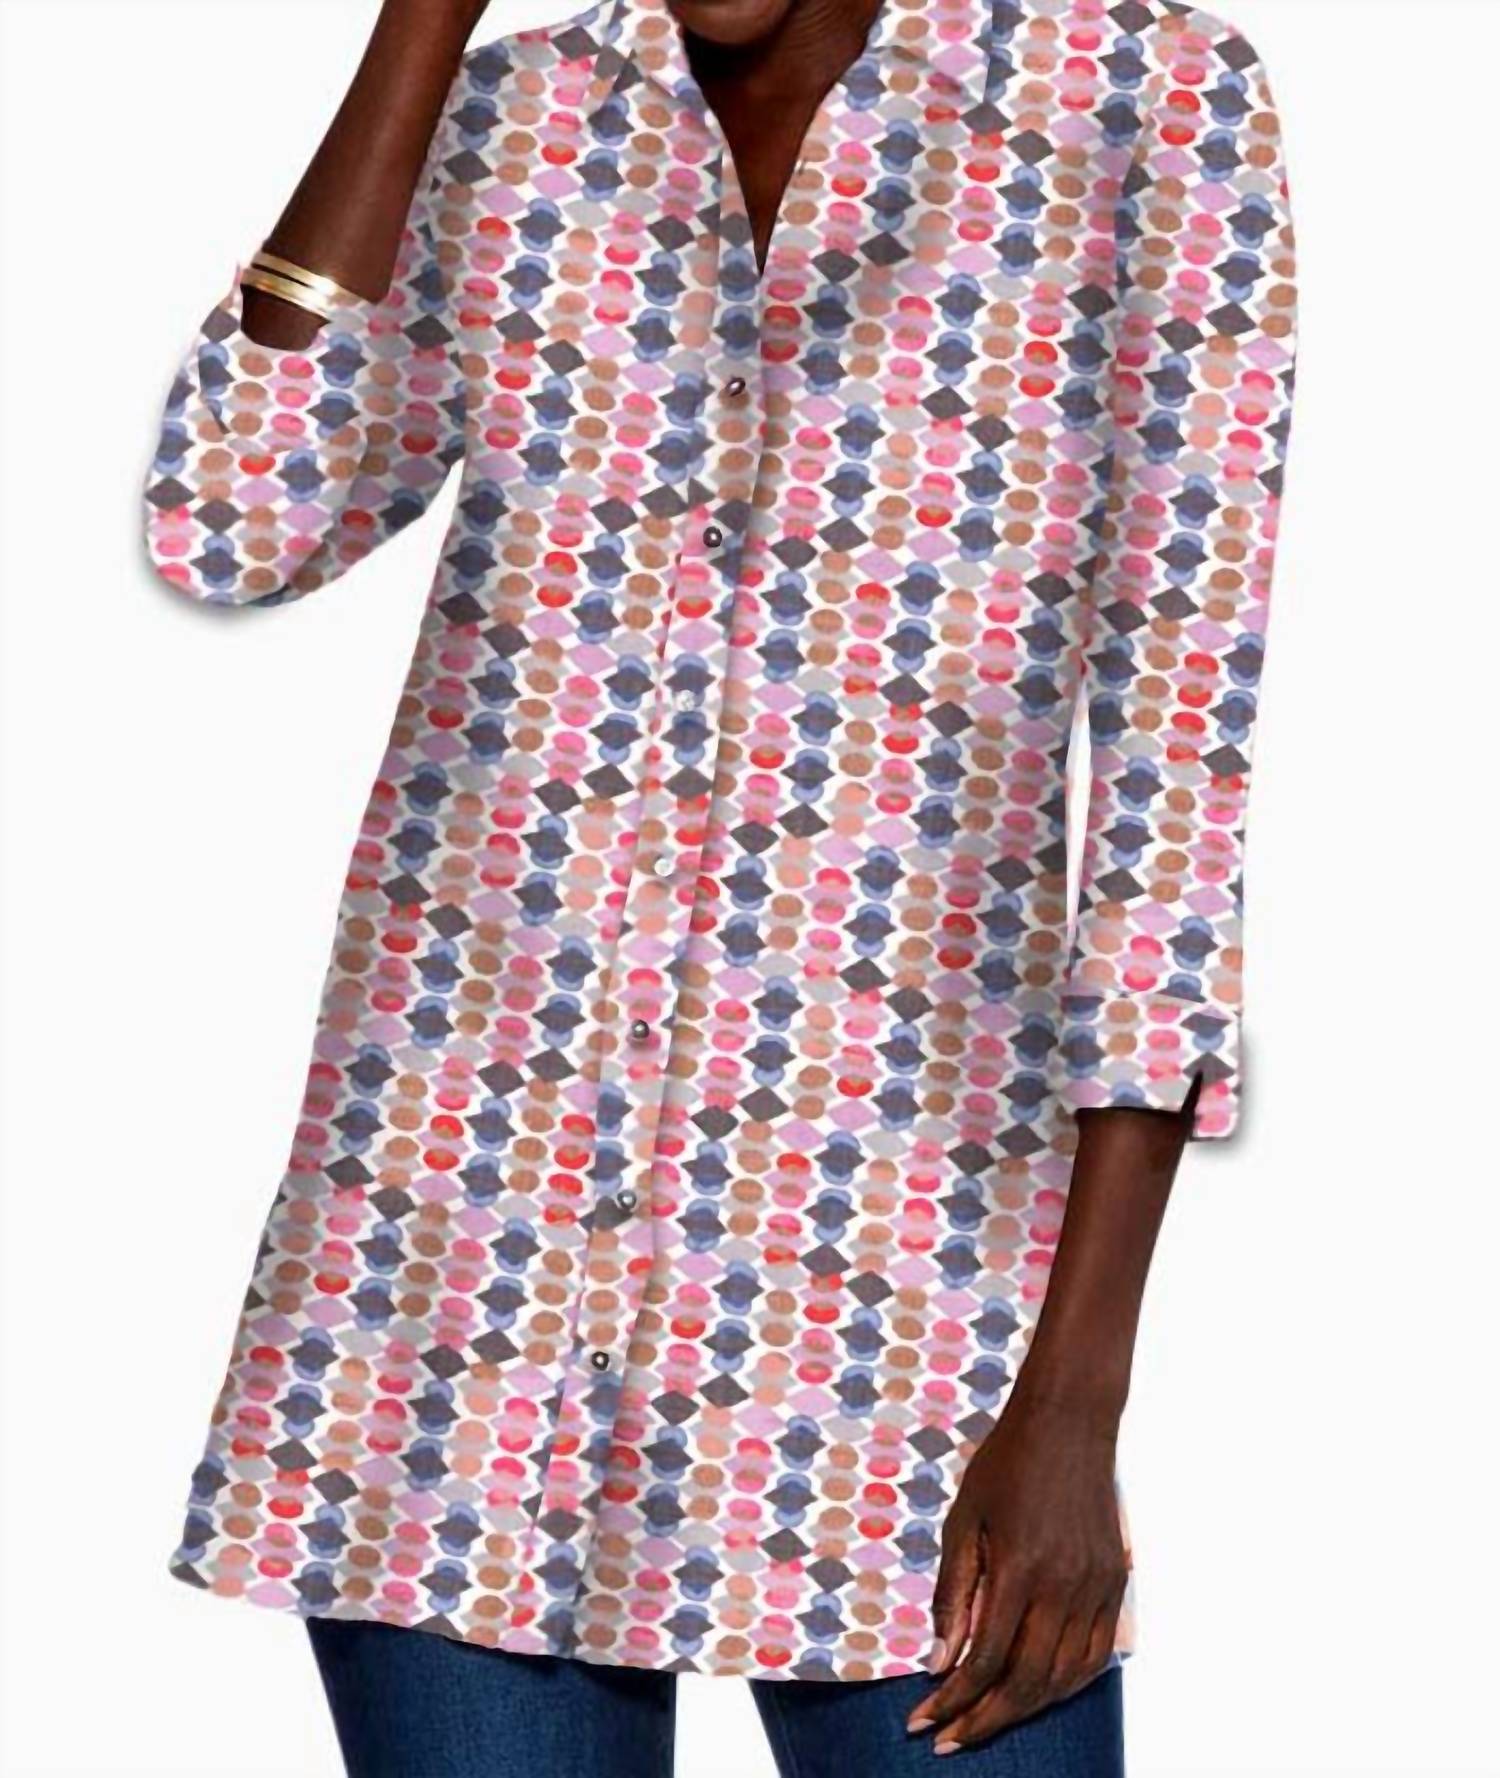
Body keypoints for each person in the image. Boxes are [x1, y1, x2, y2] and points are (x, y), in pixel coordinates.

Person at [143, 0, 1296, 1770]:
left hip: (900, 1313)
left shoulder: (1142, 102)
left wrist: (1076, 1399)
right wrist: (422, 30)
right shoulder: (511, 117)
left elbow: (1174, 781)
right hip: (447, 1296)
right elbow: (230, 524)